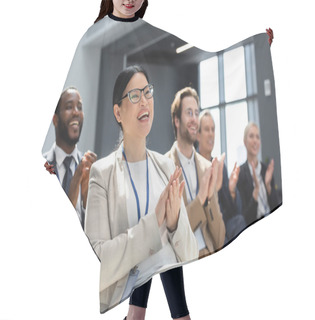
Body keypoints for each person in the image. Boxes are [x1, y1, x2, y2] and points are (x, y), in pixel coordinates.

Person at [85, 66, 198, 317]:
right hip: (120, 294)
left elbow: (190, 252)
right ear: (118, 112)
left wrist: (173, 222)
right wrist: (154, 222)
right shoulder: (102, 174)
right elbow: (97, 258)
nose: (145, 100)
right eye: (134, 95)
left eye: (148, 92)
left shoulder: (167, 166)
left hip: (164, 281)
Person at [166, 87, 225, 259]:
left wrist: (210, 199)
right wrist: (200, 199)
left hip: (210, 253)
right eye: (189, 113)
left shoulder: (207, 167)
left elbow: (220, 238)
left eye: (196, 113)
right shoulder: (164, 167)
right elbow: (173, 236)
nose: (194, 119)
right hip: (184, 260)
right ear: (177, 120)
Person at [43, 87, 97, 229]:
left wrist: (87, 200)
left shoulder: (91, 170)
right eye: (68, 107)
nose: (76, 112)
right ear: (55, 119)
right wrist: (72, 192)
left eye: (79, 107)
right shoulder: (42, 167)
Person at [197, 111, 246, 245]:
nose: (211, 133)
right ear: (198, 135)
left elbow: (233, 212)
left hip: (223, 227)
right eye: (207, 129)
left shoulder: (220, 166)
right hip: (204, 229)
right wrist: (215, 188)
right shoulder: (193, 165)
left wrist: (231, 190)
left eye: (213, 129)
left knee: (240, 220)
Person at [237, 122, 279, 226]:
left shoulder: (266, 170)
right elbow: (245, 217)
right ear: (245, 142)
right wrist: (256, 191)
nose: (255, 141)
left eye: (257, 137)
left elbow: (276, 206)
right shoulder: (240, 174)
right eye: (251, 136)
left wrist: (268, 186)